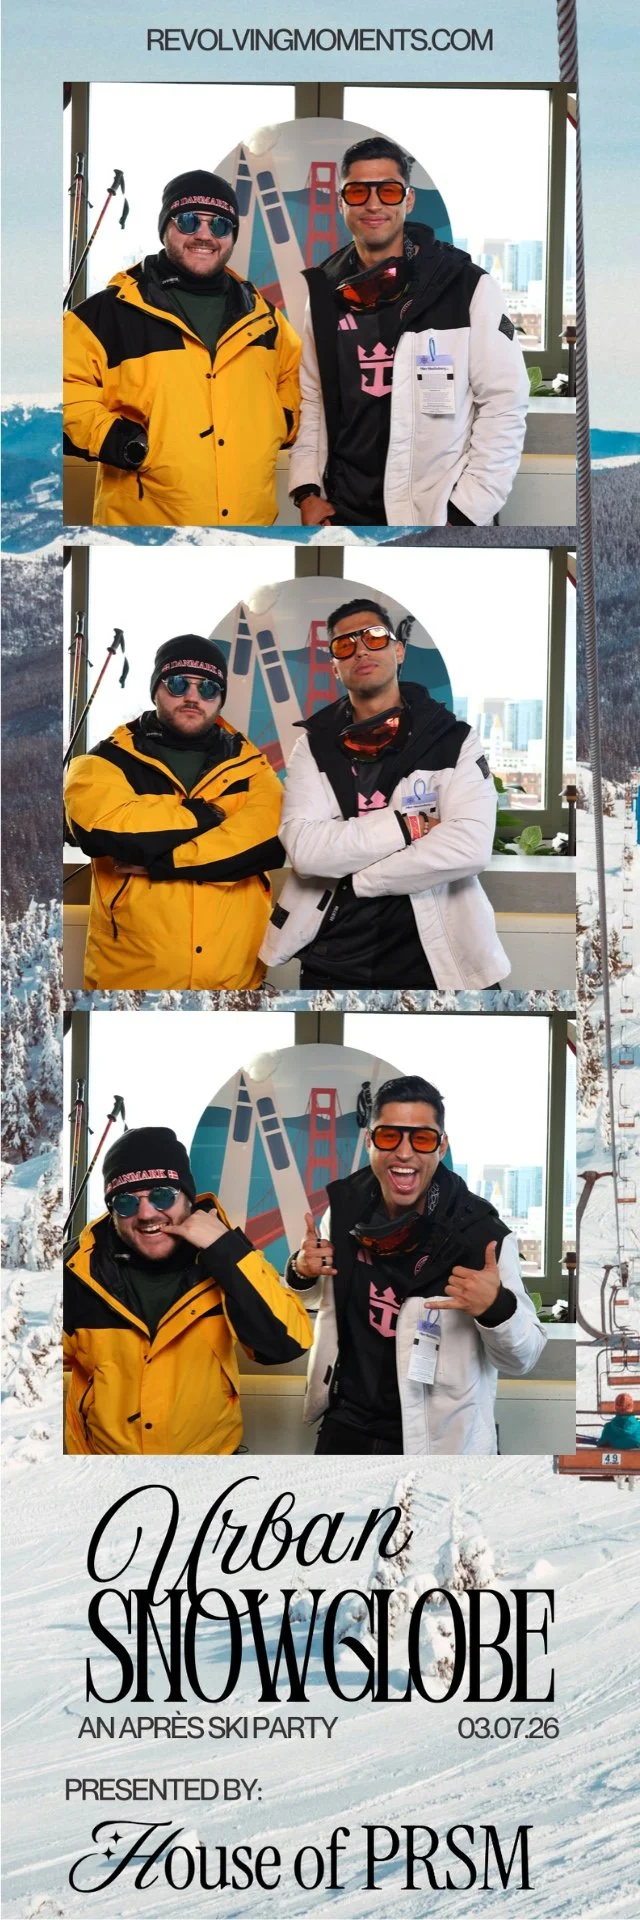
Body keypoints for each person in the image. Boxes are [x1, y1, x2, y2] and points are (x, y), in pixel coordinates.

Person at [285, 1076, 546, 1455]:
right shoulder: (344, 1212)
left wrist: (496, 1307)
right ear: (369, 1141)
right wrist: (301, 1271)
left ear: (442, 1146)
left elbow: (523, 1358)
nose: (404, 1153)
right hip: (346, 1426)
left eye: (421, 1139)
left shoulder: (481, 1235)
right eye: (389, 1136)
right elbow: (319, 1303)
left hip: (439, 1444)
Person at [260, 597, 509, 990]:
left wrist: (358, 880)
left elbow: (469, 846)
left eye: (374, 637)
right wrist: (410, 827)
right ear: (335, 666)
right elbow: (305, 851)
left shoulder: (453, 739)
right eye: (344, 645)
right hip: (336, 957)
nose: (360, 650)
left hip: (443, 960)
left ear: (399, 650)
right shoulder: (312, 746)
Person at [288, 136, 529, 529]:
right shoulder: (325, 293)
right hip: (343, 512)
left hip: (436, 514)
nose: (373, 204)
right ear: (341, 202)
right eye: (357, 191)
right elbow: (313, 399)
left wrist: (466, 511)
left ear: (409, 200)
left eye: (388, 190)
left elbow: (504, 404)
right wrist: (307, 490)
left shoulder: (465, 286)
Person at [63, 169, 301, 527]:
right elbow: (60, 392)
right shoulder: (105, 314)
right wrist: (118, 440)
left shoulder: (264, 317)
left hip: (249, 530)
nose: (204, 235)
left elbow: (298, 381)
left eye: (219, 225)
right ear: (165, 228)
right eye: (189, 221)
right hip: (145, 531)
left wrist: (277, 423)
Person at [64, 1126, 313, 1455]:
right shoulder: (77, 1269)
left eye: (162, 1196)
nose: (146, 1214)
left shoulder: (228, 1255)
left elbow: (286, 1345)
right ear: (112, 1211)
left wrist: (225, 1249)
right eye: (125, 1202)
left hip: (206, 1467)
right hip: (102, 1468)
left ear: (187, 1197)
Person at [64, 635, 285, 990]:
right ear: (156, 689)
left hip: (234, 985)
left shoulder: (253, 766)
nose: (193, 697)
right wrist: (208, 815)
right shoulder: (103, 760)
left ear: (220, 698)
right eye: (179, 684)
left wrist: (162, 862)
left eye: (208, 688)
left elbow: (268, 843)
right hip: (129, 987)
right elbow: (103, 831)